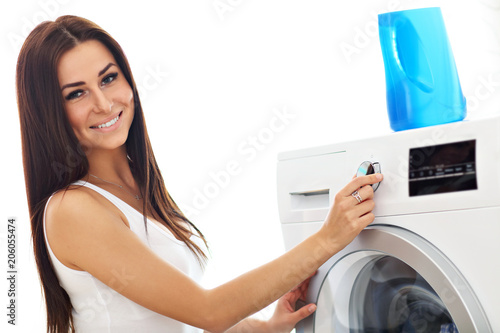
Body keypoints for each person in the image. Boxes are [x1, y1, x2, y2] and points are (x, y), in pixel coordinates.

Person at [16, 15, 382, 333]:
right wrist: (327, 240)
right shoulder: (72, 210)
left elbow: (175, 319)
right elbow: (210, 312)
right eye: (76, 93)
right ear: (50, 112)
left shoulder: (135, 188)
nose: (104, 102)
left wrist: (263, 328)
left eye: (109, 79)